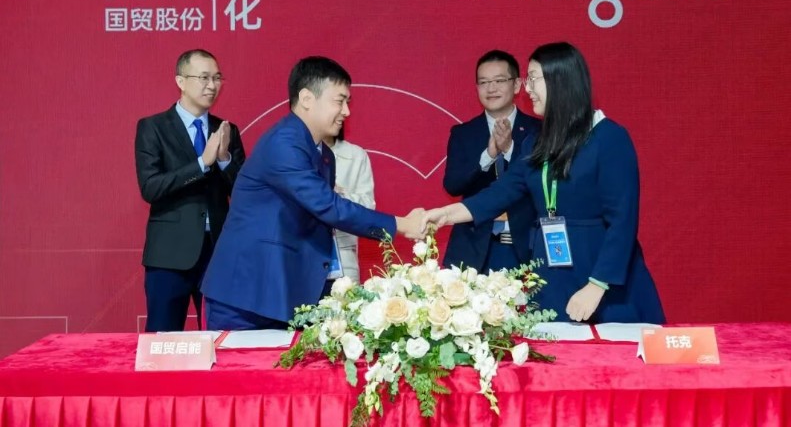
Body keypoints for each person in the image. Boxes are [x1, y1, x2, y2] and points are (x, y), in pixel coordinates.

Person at [423, 42, 665, 324]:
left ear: (559, 80)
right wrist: (444, 215)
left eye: (533, 78)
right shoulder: (536, 142)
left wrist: (597, 284)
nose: (527, 89)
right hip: (552, 270)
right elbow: (500, 193)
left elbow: (622, 221)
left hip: (602, 277)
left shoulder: (609, 137)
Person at [201, 56, 425, 330]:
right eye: (339, 101)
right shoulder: (284, 143)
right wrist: (402, 225)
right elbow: (329, 207)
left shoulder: (323, 153)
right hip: (246, 294)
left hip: (283, 291)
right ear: (307, 98)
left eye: (348, 102)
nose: (346, 111)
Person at [135, 49, 246, 332]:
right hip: (169, 255)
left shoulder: (227, 130)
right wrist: (201, 163)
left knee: (220, 337)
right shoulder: (153, 127)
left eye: (217, 78)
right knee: (162, 340)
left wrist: (224, 159)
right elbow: (151, 187)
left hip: (218, 253)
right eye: (204, 78)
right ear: (181, 81)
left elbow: (244, 192)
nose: (212, 85)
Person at [443, 50, 540, 272]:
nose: (491, 88)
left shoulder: (539, 130)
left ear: (517, 85)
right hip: (474, 249)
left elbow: (538, 181)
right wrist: (488, 156)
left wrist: (509, 150)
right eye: (484, 82)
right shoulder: (463, 133)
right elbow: (453, 185)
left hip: (527, 246)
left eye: (499, 81)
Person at [323, 126, 376, 283]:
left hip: (343, 257)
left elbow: (368, 208)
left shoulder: (356, 155)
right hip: (299, 257)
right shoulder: (294, 154)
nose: (344, 113)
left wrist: (340, 195)